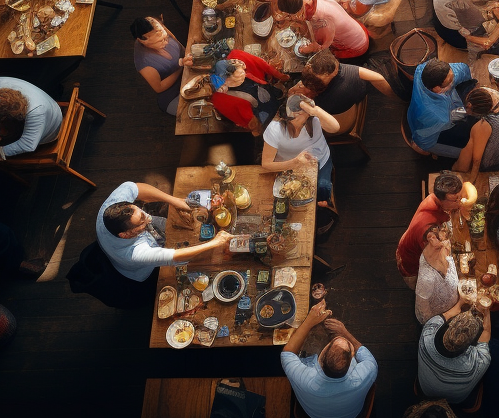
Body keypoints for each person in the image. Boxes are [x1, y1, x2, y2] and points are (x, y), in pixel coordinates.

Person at [97, 181, 231, 281]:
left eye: (141, 212)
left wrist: (174, 200)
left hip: (141, 236)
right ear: (126, 234)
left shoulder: (113, 207)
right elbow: (174, 256)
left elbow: (133, 187)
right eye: (141, 221)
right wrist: (215, 242)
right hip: (140, 272)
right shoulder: (134, 254)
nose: (147, 218)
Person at [281, 302, 378, 418]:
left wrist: (309, 321)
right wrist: (345, 334)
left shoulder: (303, 377)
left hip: (313, 417)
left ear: (320, 356)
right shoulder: (367, 372)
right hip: (352, 417)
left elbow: (287, 353)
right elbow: (368, 357)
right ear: (352, 356)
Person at [261, 94, 340, 203]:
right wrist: (295, 162)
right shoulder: (275, 129)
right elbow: (266, 164)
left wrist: (315, 111)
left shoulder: (315, 119)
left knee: (323, 187)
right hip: (289, 168)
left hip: (321, 160)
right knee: (288, 196)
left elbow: (335, 128)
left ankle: (324, 207)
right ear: (295, 113)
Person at [396, 171, 464, 287]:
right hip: (411, 263)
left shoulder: (433, 198)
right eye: (455, 200)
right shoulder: (428, 231)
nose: (459, 202)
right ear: (441, 199)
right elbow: (436, 262)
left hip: (409, 242)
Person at [417, 302, 491, 404]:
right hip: (456, 402)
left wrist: (461, 302)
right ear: (471, 343)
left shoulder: (428, 331)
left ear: (449, 324)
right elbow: (486, 333)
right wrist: (486, 310)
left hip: (425, 392)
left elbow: (446, 315)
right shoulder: (479, 362)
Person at [274, 0, 370, 59]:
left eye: (290, 15)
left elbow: (319, 46)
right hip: (358, 30)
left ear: (298, 11)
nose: (290, 17)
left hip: (356, 46)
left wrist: (301, 50)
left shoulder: (320, 20)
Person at [207, 52, 288, 136]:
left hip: (266, 93)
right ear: (228, 80)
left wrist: (279, 76)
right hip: (265, 111)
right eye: (238, 68)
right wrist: (261, 128)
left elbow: (263, 66)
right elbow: (253, 124)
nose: (240, 63)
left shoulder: (237, 64)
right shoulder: (234, 99)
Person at [408, 58, 474, 156]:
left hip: (419, 114)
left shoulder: (421, 69)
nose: (454, 78)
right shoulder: (438, 116)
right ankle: (420, 146)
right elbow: (453, 118)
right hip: (428, 138)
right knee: (468, 154)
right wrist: (472, 110)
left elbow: (461, 69)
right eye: (450, 81)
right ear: (437, 89)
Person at [299, 49, 395, 114]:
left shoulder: (319, 99)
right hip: (352, 96)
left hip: (340, 106)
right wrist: (393, 95)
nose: (338, 63)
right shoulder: (348, 75)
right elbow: (379, 78)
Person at [131, 16, 184, 115]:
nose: (166, 42)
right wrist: (181, 66)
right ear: (143, 42)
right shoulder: (144, 61)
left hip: (187, 74)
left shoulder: (156, 27)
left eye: (165, 38)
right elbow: (158, 88)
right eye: (159, 41)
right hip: (173, 95)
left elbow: (179, 46)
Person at [415, 222, 460, 324]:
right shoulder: (427, 278)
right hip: (441, 320)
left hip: (455, 307)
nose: (448, 245)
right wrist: (442, 323)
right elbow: (425, 315)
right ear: (431, 238)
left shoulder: (442, 249)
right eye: (445, 241)